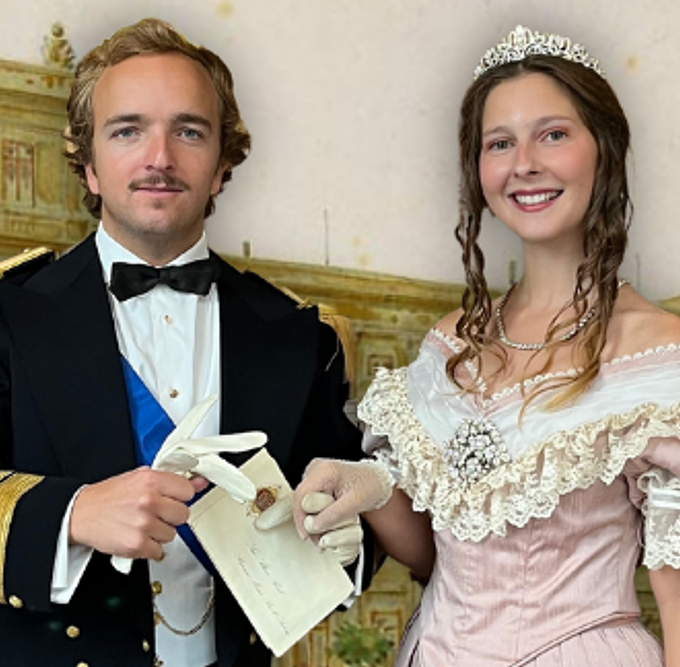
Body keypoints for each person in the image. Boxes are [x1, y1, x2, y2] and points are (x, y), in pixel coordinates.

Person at [289, 25, 680, 666]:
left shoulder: (661, 358)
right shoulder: (450, 345)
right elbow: (433, 558)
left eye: (553, 134)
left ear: (605, 150)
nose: (524, 163)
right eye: (500, 143)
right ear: (479, 172)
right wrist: (374, 489)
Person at [0, 17, 370, 667]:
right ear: (88, 164)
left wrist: (349, 543)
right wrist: (72, 513)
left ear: (223, 165)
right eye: (127, 130)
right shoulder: (8, 312)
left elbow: (342, 517)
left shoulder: (301, 336)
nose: (160, 157)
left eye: (190, 131)